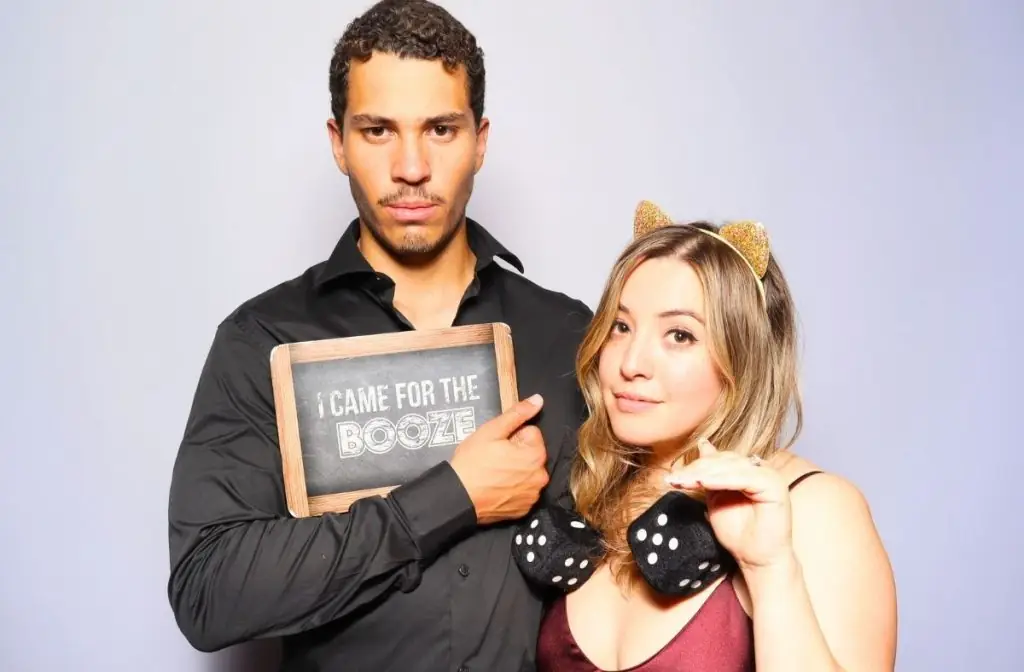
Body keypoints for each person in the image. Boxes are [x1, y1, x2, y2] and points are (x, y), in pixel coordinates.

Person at [166, 2, 592, 670]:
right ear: (338, 142)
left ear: (480, 139)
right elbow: (210, 593)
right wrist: (451, 497)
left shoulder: (571, 335)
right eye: (378, 131)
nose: (412, 167)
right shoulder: (263, 341)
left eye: (441, 130)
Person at [513, 201, 898, 671]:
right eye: (621, 326)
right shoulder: (595, 496)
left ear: (742, 358)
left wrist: (769, 570)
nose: (631, 364)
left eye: (679, 335)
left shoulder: (815, 508)